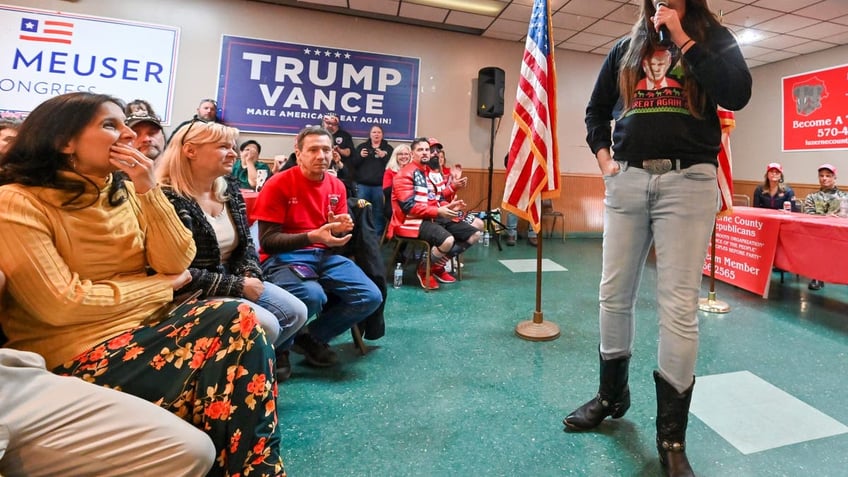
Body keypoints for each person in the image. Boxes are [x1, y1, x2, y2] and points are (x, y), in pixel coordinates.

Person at [0, 92, 284, 477]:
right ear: (63, 140)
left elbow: (176, 260)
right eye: (109, 125)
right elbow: (62, 304)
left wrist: (148, 188)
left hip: (142, 328)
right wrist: (159, 287)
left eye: (126, 127)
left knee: (242, 321)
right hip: (75, 350)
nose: (129, 137)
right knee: (237, 322)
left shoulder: (123, 190)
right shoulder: (17, 201)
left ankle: (246, 468)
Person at [562, 2, 751, 477]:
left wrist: (684, 39)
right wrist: (606, 165)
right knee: (612, 296)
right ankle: (611, 395)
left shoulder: (712, 39)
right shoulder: (625, 49)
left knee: (679, 309)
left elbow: (738, 93)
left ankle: (671, 436)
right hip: (627, 181)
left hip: (688, 183)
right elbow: (595, 112)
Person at [156, 120, 308, 380]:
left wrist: (249, 274)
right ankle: (226, 379)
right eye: (223, 147)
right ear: (190, 151)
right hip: (192, 291)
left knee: (297, 312)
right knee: (267, 324)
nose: (234, 153)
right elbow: (176, 272)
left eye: (233, 146)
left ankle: (245, 370)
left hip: (233, 276)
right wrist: (238, 286)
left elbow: (247, 244)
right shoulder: (169, 198)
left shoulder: (228, 188)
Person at [253, 125, 382, 367]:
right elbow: (268, 241)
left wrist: (342, 227)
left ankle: (310, 338)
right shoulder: (278, 184)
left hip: (323, 255)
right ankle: (279, 350)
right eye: (313, 150)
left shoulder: (337, 186)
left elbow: (335, 228)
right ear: (298, 152)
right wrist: (314, 236)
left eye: (326, 149)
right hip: (283, 257)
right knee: (312, 296)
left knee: (370, 296)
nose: (321, 156)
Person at [389, 138, 480, 290]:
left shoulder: (427, 172)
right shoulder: (404, 174)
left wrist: (450, 204)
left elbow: (437, 198)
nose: (425, 153)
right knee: (448, 240)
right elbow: (408, 207)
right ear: (413, 153)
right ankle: (424, 268)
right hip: (410, 221)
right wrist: (439, 211)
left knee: (475, 234)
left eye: (427, 150)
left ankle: (436, 266)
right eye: (420, 150)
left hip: (431, 216)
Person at [802, 163, 847, 290]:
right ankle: (817, 277)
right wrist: (828, 217)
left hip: (839, 234)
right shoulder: (812, 197)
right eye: (821, 176)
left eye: (828, 175)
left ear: (834, 177)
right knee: (816, 244)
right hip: (818, 234)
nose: (824, 178)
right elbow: (809, 216)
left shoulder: (844, 197)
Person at [352, 125, 393, 235]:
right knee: (360, 211)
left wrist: (384, 156)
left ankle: (376, 238)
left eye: (379, 132)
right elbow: (353, 164)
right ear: (370, 134)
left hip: (380, 187)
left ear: (382, 135)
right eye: (374, 132)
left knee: (378, 213)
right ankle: (360, 236)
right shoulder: (362, 147)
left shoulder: (388, 149)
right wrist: (360, 156)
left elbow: (393, 166)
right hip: (362, 186)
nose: (376, 134)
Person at [502, 153, 538, 246]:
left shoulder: (534, 148)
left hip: (531, 181)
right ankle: (511, 234)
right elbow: (507, 161)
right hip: (516, 180)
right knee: (513, 208)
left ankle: (532, 235)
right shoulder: (518, 144)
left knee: (533, 207)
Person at [383, 144, 413, 230]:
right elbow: (386, 192)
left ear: (410, 156)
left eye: (406, 154)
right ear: (395, 156)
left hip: (410, 204)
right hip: (393, 206)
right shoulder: (390, 171)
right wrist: (400, 181)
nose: (403, 157)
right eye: (400, 154)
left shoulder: (414, 170)